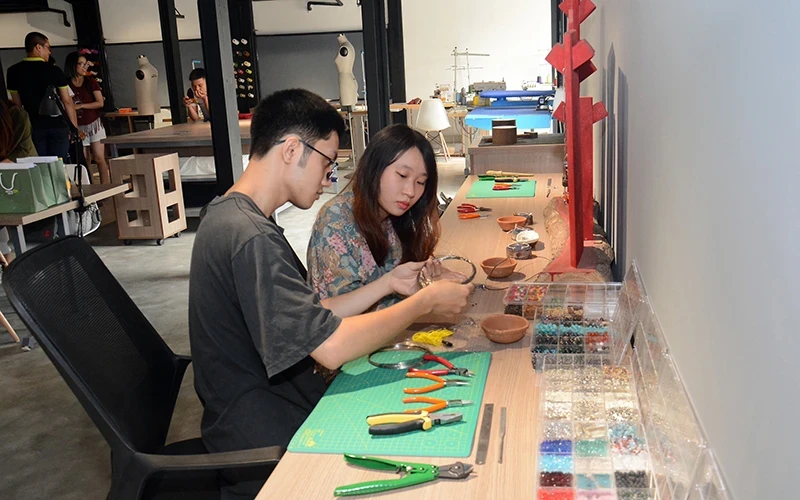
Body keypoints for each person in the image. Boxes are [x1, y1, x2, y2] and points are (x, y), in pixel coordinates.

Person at [188, 88, 471, 499]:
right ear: (290, 150)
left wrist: (391, 284)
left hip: (272, 407)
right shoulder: (250, 238)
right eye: (326, 162)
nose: (329, 177)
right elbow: (331, 347)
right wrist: (422, 303)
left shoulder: (233, 217)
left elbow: (315, 314)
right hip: (266, 436)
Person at [308, 124, 461, 311]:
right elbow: (336, 315)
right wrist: (422, 300)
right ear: (375, 168)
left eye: (420, 182)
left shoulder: (395, 217)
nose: (411, 191)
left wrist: (426, 280)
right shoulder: (336, 221)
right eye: (402, 175)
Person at [6, 32, 77, 160]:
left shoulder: (13, 71)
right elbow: (67, 101)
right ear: (38, 47)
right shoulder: (54, 70)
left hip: (33, 126)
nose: (49, 52)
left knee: (39, 164)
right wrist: (73, 127)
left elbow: (17, 106)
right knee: (59, 165)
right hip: (57, 125)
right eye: (48, 48)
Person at [64, 52, 110, 184]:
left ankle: (105, 187)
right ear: (73, 65)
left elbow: (100, 102)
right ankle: (91, 188)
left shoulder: (91, 82)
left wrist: (81, 106)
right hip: (77, 126)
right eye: (81, 64)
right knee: (84, 160)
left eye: (85, 64)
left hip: (94, 124)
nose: (84, 67)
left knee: (99, 157)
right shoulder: (66, 84)